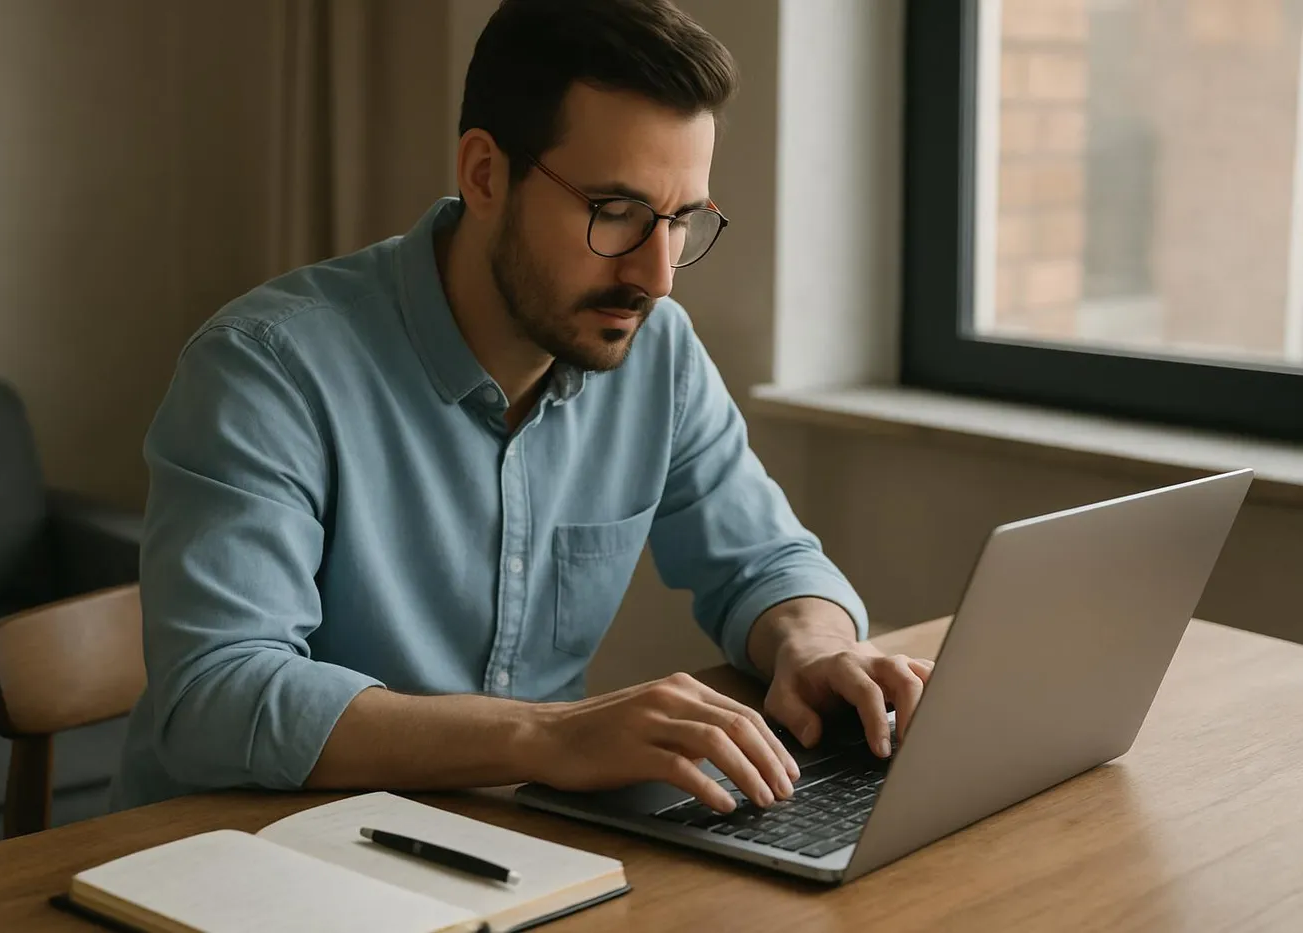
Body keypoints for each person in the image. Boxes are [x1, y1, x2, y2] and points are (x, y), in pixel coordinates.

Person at [111, 0, 933, 816]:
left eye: (680, 221)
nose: (657, 275)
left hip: (510, 838)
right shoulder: (268, 367)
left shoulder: (659, 351)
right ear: (483, 174)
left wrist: (815, 647)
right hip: (246, 849)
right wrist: (548, 737)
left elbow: (765, 561)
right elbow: (217, 698)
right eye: (615, 213)